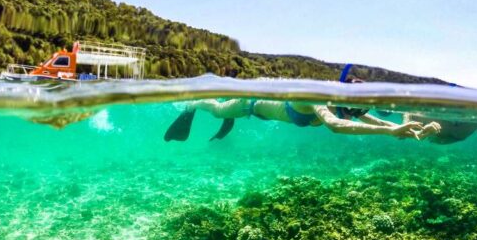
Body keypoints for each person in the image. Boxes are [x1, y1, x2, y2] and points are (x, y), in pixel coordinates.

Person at [164, 97, 437, 141]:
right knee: (218, 110)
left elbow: (381, 122)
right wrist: (391, 133)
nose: (357, 112)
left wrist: (415, 133)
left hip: (263, 113)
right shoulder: (319, 100)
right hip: (250, 104)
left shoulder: (349, 107)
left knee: (224, 114)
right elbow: (334, 125)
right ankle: (191, 104)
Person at [403, 114, 477, 160]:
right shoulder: (432, 115)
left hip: (453, 135)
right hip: (441, 134)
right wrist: (405, 125)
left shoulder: (473, 119)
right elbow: (408, 113)